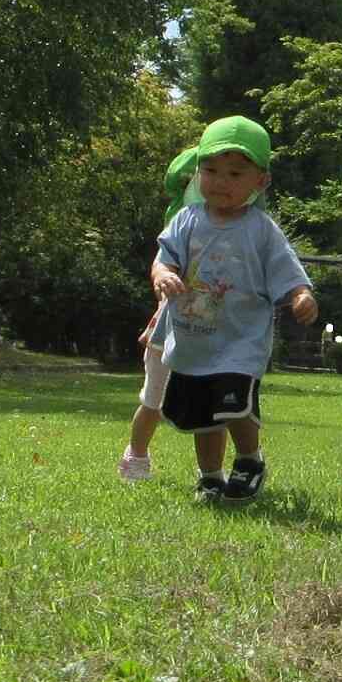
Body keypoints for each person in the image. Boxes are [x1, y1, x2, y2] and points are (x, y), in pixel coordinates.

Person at [150, 115, 319, 503]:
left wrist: (300, 296)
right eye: (210, 170)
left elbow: (287, 270)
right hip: (194, 341)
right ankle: (210, 476)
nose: (221, 181)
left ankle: (249, 460)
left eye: (235, 173)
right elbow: (163, 259)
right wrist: (162, 275)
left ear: (260, 182)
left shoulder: (261, 229)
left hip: (239, 342)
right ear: (196, 173)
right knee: (203, 417)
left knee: (233, 405)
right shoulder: (186, 220)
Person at [118, 144, 202, 480]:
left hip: (215, 334)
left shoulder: (240, 232)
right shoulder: (181, 228)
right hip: (172, 331)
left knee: (215, 408)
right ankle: (136, 455)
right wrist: (164, 278)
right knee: (153, 399)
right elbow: (161, 266)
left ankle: (211, 469)